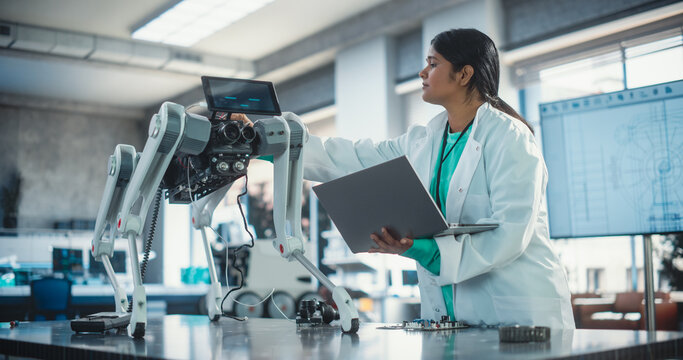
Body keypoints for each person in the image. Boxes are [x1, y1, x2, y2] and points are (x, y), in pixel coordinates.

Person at [242, 28, 575, 329]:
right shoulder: (425, 139)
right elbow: (349, 159)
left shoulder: (510, 137)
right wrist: (263, 142)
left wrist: (423, 250)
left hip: (517, 315)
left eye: (433, 64)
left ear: (464, 74)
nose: (422, 72)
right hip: (454, 319)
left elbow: (511, 232)